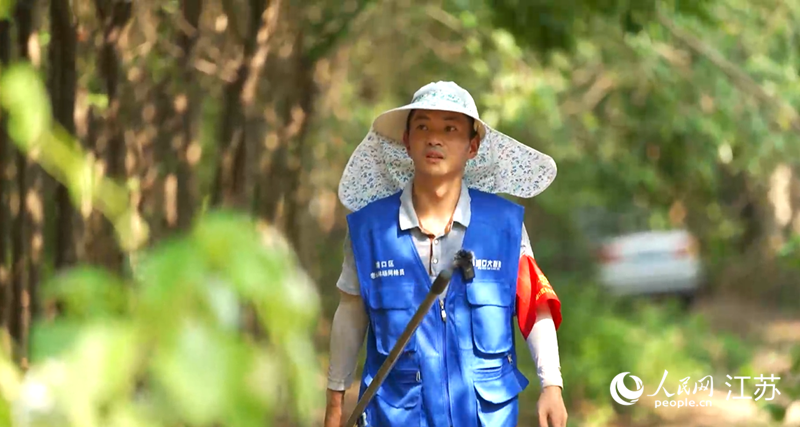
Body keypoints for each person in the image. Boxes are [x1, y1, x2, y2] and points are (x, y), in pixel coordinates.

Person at [324, 81, 567, 427]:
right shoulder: (369, 231)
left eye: (450, 128)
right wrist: (335, 404)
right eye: (423, 126)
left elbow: (534, 306)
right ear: (407, 141)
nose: (434, 138)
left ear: (472, 145)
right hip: (396, 416)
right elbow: (350, 314)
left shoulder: (504, 226)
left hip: (484, 416)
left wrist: (552, 385)